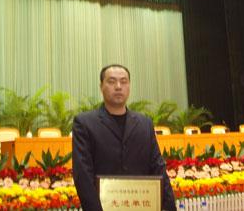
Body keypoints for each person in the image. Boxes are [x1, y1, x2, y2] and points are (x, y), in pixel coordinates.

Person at [72, 64, 177, 211]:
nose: (118, 86)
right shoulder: (85, 123)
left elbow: (158, 167)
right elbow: (83, 175)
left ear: (129, 86)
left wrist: (170, 207)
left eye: (123, 81)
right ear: (101, 86)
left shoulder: (144, 123)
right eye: (111, 81)